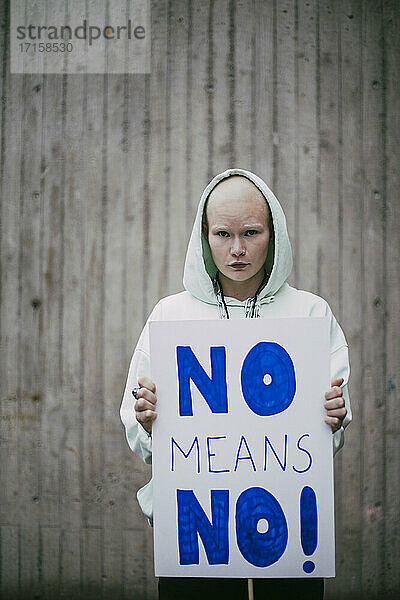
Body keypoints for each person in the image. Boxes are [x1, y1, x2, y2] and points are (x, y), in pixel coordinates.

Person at [120, 168, 352, 600]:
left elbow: (321, 443)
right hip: (198, 544)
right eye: (223, 234)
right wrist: (148, 419)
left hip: (286, 543)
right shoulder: (171, 317)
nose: (238, 249)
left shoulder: (311, 315)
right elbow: (141, 435)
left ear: (273, 233)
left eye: (251, 232)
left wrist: (334, 420)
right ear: (204, 237)